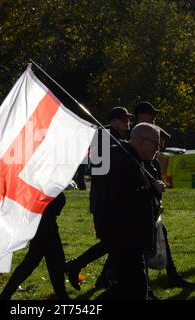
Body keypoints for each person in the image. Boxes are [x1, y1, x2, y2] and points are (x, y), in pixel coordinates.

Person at [131, 102, 195, 291]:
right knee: (134, 249)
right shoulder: (134, 142)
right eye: (151, 114)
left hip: (150, 203)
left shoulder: (148, 139)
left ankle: (171, 277)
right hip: (139, 207)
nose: (154, 117)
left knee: (158, 239)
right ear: (141, 116)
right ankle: (141, 287)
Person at [65, 107, 132, 291]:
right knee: (114, 243)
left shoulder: (116, 138)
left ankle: (100, 278)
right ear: (113, 120)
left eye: (127, 118)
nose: (127, 121)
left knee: (115, 243)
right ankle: (78, 266)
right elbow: (102, 171)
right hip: (106, 202)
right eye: (123, 118)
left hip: (109, 201)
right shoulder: (104, 137)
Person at [97, 123, 165, 300]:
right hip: (126, 237)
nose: (158, 149)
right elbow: (125, 198)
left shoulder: (134, 159)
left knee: (127, 289)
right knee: (135, 290)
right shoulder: (124, 161)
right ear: (142, 141)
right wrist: (153, 190)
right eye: (156, 144)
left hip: (131, 237)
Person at [0, 192, 70, 300]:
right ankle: (61, 295)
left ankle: (5, 294)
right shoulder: (47, 180)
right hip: (46, 225)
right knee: (51, 260)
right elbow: (57, 200)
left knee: (38, 261)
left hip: (42, 223)